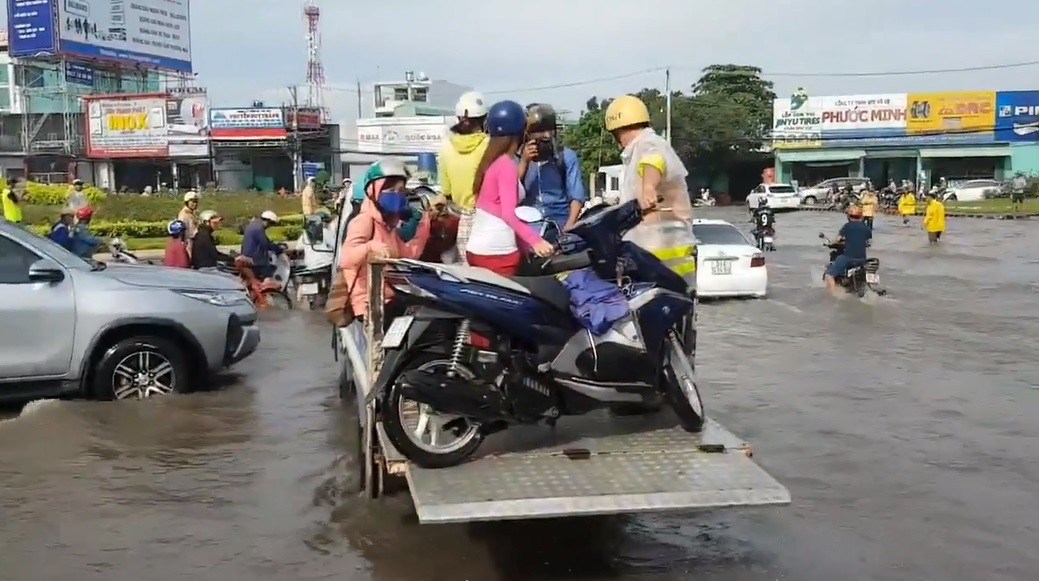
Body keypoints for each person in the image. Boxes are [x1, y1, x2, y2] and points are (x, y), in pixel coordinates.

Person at [603, 94, 695, 282]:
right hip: (658, 256)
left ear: (619, 130)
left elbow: (653, 160)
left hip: (664, 257)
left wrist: (648, 187)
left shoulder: (648, 142)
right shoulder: (636, 150)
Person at [338, 158, 432, 324]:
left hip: (388, 297)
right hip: (369, 304)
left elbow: (407, 255)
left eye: (401, 190)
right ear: (373, 191)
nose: (396, 194)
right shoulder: (364, 221)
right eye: (389, 189)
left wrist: (424, 225)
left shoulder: (387, 226)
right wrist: (370, 248)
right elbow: (345, 259)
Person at [466, 100, 554, 275]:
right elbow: (508, 214)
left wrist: (525, 246)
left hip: (476, 249)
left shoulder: (490, 162)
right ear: (520, 133)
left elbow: (493, 208)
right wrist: (536, 241)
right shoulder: (506, 165)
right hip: (498, 252)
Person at [518, 103, 586, 239]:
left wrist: (568, 228)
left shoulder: (566, 156)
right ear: (527, 133)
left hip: (560, 225)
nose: (546, 135)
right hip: (528, 229)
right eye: (540, 130)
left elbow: (576, 197)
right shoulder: (518, 158)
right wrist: (524, 162)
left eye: (550, 130)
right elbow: (509, 192)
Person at [438, 91, 489, 264]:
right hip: (486, 221)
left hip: (459, 220)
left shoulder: (446, 148)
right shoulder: (489, 146)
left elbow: (446, 191)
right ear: (484, 119)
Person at [824, 206, 872, 297]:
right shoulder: (867, 228)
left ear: (848, 216)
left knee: (829, 275)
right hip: (862, 259)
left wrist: (831, 243)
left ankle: (834, 296)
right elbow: (868, 242)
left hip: (849, 258)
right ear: (861, 216)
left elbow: (838, 239)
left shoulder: (847, 226)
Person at [241, 210, 285, 280]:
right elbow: (265, 244)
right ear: (267, 221)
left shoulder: (253, 224)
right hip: (255, 260)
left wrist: (275, 245)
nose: (270, 226)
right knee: (270, 272)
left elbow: (265, 240)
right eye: (271, 224)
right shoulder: (259, 228)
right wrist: (278, 250)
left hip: (248, 256)